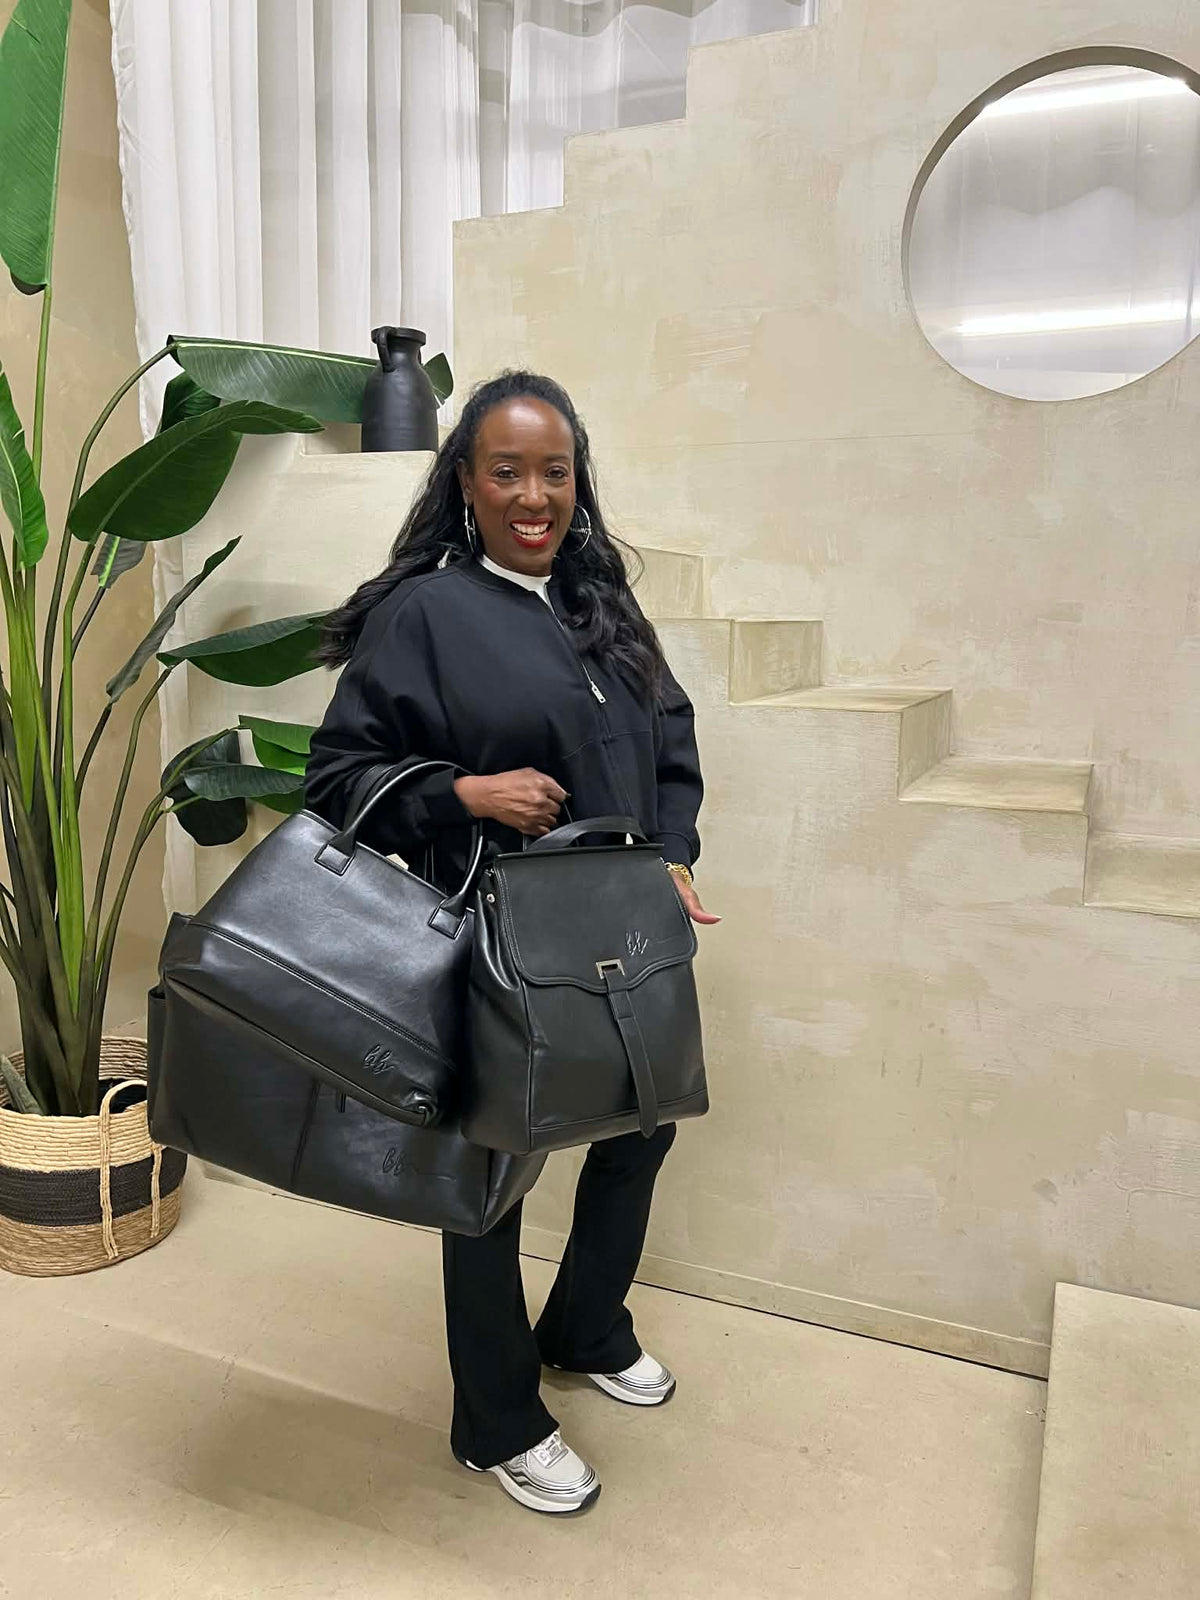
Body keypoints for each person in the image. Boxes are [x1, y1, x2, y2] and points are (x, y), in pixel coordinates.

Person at [303, 369, 718, 1516]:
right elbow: (333, 778)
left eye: (554, 471)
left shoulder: (602, 603)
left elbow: (672, 738)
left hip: (625, 923)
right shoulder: (427, 614)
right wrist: (465, 793)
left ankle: (586, 1325)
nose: (534, 495)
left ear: (577, 482)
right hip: (499, 930)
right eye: (507, 471)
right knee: (490, 1171)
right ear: (467, 484)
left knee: (642, 1125)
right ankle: (496, 1419)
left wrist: (675, 853)